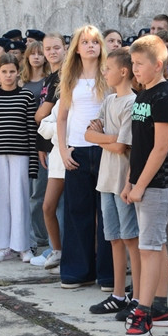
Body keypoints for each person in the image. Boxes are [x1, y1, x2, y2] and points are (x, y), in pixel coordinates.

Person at [122, 34, 168, 336]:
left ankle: (142, 312)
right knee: (155, 244)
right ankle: (160, 308)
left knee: (148, 247)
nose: (134, 69)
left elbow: (161, 149)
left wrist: (140, 186)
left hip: (159, 183)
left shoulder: (164, 96)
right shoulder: (143, 95)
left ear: (158, 65)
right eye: (132, 63)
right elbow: (140, 144)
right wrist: (130, 180)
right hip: (145, 182)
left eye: (139, 64)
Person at [85, 47, 140, 318]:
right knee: (114, 239)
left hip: (123, 181)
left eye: (108, 68)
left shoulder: (133, 103)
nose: (104, 72)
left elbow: (122, 147)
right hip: (105, 180)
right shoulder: (108, 102)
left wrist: (106, 138)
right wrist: (109, 138)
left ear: (123, 71)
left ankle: (138, 296)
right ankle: (118, 294)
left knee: (131, 238)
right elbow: (88, 134)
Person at [56, 25, 112, 289]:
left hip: (105, 151)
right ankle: (77, 271)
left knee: (107, 214)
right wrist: (64, 149)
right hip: (77, 150)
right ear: (77, 48)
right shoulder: (70, 78)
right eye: (85, 42)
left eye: (95, 42)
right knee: (77, 212)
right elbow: (62, 117)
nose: (90, 46)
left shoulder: (108, 76)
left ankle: (108, 274)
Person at [0, 54, 38, 261]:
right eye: (4, 71)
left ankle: (23, 246)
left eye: (12, 71)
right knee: (0, 199)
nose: (8, 75)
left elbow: (31, 130)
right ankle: (1, 245)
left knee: (20, 198)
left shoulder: (27, 97)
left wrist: (33, 166)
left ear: (18, 73)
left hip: (20, 154)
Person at [31, 32, 67, 269]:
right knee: (49, 202)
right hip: (50, 144)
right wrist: (42, 146)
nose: (52, 52)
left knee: (59, 203)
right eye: (48, 49)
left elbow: (43, 114)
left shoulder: (63, 77)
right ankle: (57, 248)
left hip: (63, 146)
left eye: (56, 48)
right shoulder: (49, 78)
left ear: (65, 49)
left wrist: (39, 116)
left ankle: (62, 248)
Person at [20, 39, 49, 252]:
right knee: (26, 191)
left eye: (41, 53)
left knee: (39, 192)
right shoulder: (21, 83)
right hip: (22, 140)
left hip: (42, 139)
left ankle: (41, 236)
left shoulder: (49, 81)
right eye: (33, 53)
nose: (37, 57)